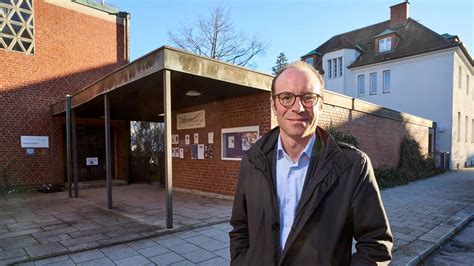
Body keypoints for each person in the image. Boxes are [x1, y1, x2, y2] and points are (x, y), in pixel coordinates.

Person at [229, 61, 393, 265]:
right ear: (273, 105)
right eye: (286, 97)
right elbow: (240, 228)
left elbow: (375, 245)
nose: (297, 107)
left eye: (308, 97)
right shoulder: (252, 161)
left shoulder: (352, 166)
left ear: (321, 104)